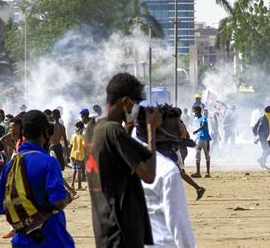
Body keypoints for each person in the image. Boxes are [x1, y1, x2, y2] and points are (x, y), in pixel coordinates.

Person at [87, 72, 162, 247]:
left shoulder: (92, 128)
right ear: (126, 101)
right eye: (135, 104)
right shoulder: (113, 131)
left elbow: (114, 160)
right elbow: (149, 175)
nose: (136, 109)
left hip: (104, 227)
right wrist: (151, 129)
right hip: (122, 232)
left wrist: (128, 127)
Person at [0, 110, 74, 247]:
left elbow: (1, 207)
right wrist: (66, 198)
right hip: (50, 238)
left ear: (23, 133)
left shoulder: (11, 165)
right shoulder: (48, 162)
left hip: (22, 241)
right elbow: (58, 202)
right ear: (45, 133)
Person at [136, 104, 196, 247]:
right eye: (175, 128)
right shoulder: (169, 172)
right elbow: (178, 223)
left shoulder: (136, 163)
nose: (180, 131)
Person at [191, 106, 212, 178]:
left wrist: (196, 130)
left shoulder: (204, 118)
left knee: (206, 155)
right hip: (200, 138)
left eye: (195, 111)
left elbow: (204, 125)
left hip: (204, 138)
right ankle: (198, 172)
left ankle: (208, 172)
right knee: (197, 154)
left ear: (198, 111)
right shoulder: (197, 119)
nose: (194, 113)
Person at [69, 121, 85, 190]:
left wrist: (69, 154)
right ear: (82, 128)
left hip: (73, 155)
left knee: (74, 169)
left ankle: (72, 184)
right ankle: (79, 186)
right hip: (79, 155)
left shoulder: (73, 136)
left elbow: (71, 146)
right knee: (79, 170)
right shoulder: (82, 137)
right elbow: (84, 146)